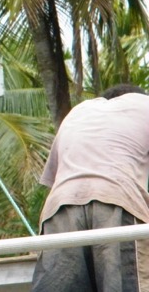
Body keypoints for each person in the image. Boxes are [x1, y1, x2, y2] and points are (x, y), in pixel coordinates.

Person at [32, 84, 149, 291]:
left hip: (59, 207)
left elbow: (54, 180)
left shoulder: (78, 112)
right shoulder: (144, 105)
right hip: (117, 199)